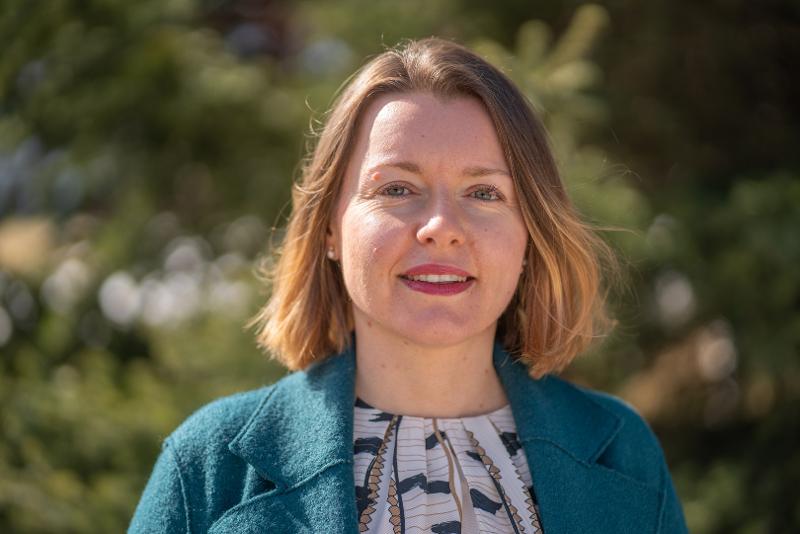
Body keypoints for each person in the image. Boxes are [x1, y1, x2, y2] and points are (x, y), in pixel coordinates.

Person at [128, 38, 688, 533]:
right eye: (396, 189)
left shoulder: (623, 450)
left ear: (529, 236)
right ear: (330, 228)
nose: (441, 226)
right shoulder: (209, 464)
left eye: (485, 193)